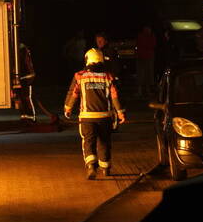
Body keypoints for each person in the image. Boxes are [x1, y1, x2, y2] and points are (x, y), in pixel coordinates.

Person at [64, 48, 126, 179]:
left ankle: (91, 166)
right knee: (104, 142)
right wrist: (120, 113)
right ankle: (105, 167)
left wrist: (67, 108)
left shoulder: (79, 76)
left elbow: (73, 94)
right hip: (105, 117)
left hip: (87, 118)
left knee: (88, 141)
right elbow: (115, 97)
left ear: (87, 60)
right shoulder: (109, 76)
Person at [135, 24, 157, 98]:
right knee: (141, 74)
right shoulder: (141, 36)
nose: (147, 30)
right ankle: (140, 91)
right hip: (142, 57)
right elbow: (139, 45)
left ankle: (147, 91)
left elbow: (153, 45)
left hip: (148, 57)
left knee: (148, 74)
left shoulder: (151, 36)